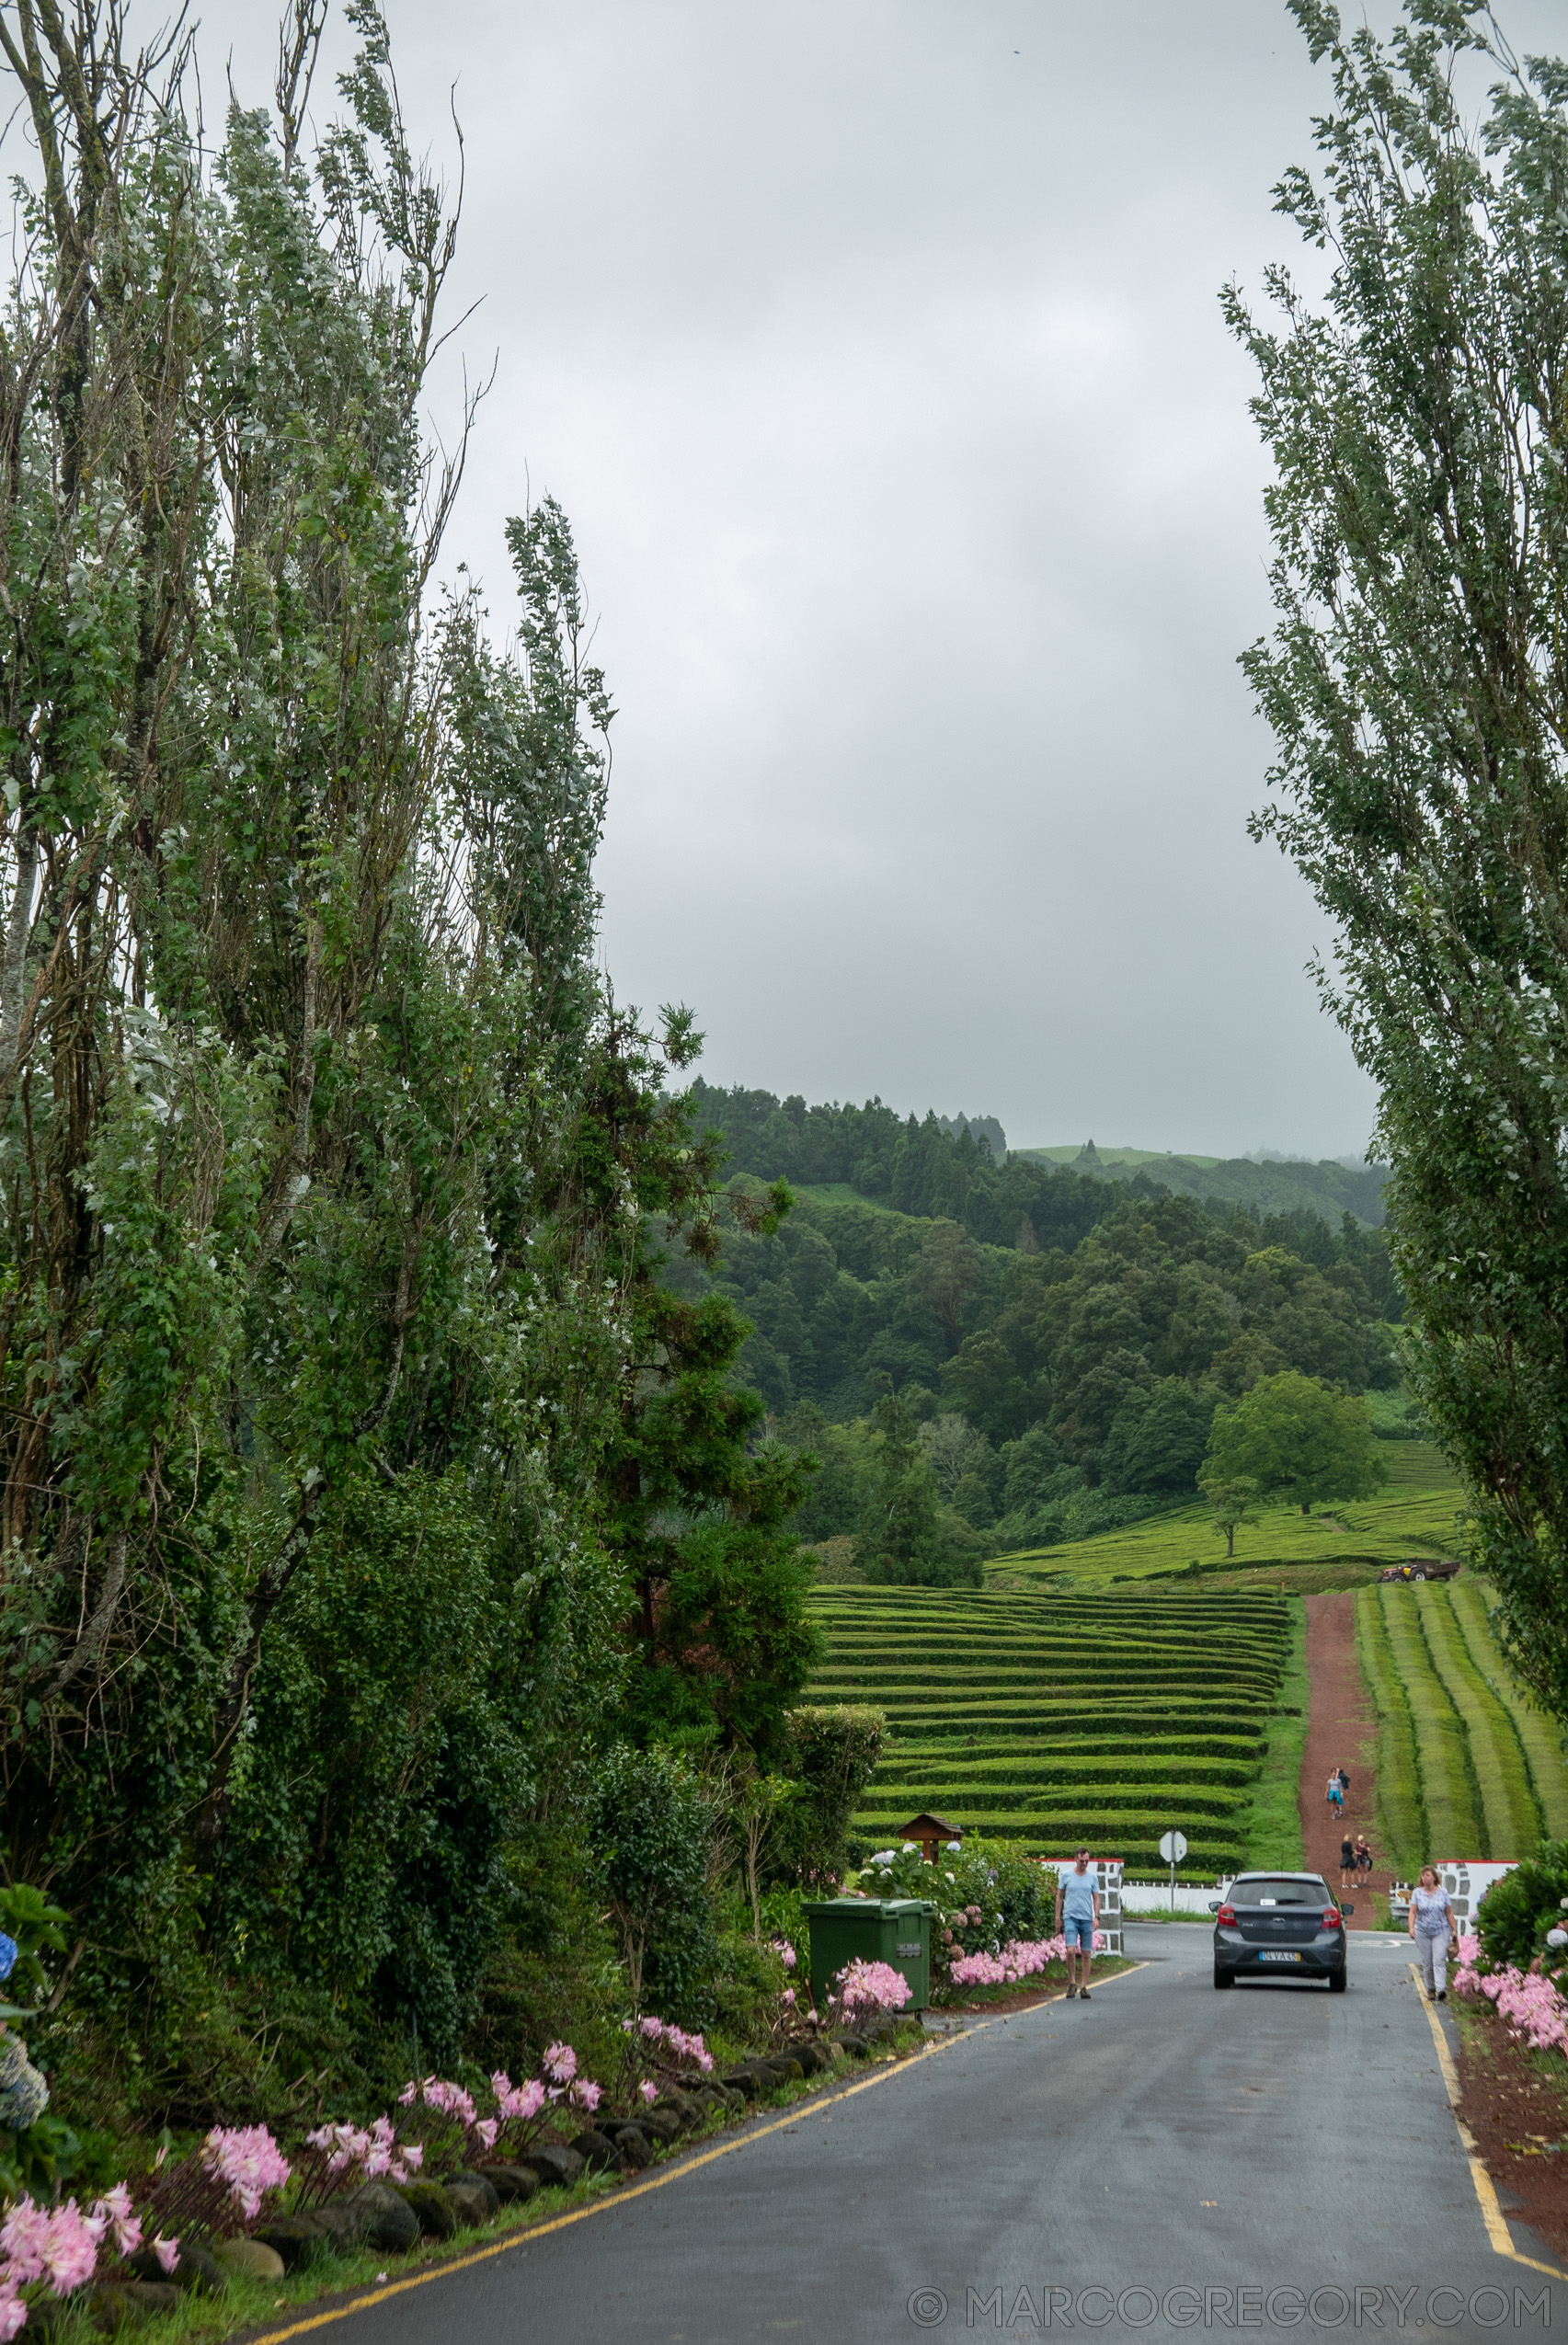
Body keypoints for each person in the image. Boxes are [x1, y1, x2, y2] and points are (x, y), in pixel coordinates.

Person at [1408, 1865, 1459, 2000]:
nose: (1425, 1878)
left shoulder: (1443, 1892)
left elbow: (1449, 1912)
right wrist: (1411, 1928)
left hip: (1440, 1931)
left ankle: (1441, 1988)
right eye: (1423, 1876)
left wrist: (1454, 1929)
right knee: (1428, 1962)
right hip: (1423, 1931)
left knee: (1439, 1960)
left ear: (1434, 1877)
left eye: (1428, 1875)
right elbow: (1413, 1912)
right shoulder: (1417, 1893)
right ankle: (1430, 1988)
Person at [1055, 1847, 1100, 2002]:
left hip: (1086, 1918)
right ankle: (1072, 1982)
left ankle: (1084, 1986)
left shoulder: (1092, 1878)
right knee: (1071, 1950)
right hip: (1070, 1918)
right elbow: (1059, 1896)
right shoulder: (1067, 1876)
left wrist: (1096, 1917)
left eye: (1087, 1861)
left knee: (1086, 1953)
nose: (1084, 1864)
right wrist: (1057, 1917)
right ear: (1076, 1859)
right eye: (1082, 1861)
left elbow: (1096, 1898)